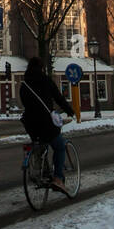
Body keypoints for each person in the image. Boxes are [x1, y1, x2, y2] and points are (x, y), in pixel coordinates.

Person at [19, 56, 74, 193]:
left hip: (30, 123)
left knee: (39, 144)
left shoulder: (23, 85)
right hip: (45, 121)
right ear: (41, 68)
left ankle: (41, 171)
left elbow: (25, 104)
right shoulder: (46, 80)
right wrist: (69, 110)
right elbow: (58, 97)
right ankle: (58, 179)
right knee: (59, 146)